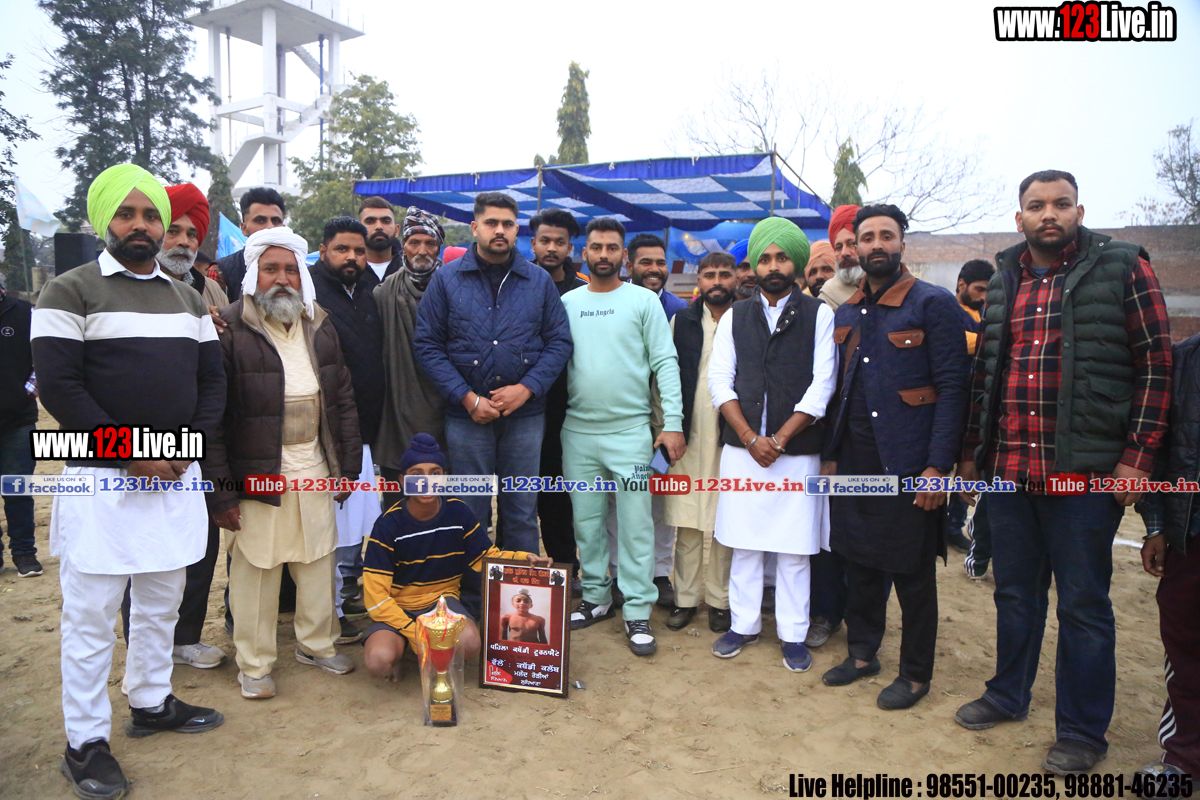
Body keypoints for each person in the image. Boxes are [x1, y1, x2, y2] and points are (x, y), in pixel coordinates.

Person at [955, 170, 1172, 775]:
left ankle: (1081, 731)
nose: (1048, 214)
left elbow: (1155, 365)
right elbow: (987, 375)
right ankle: (1007, 694)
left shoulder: (1123, 265)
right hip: (1011, 470)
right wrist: (973, 453)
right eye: (1036, 205)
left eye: (1060, 204)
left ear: (1079, 211)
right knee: (1014, 593)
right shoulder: (1005, 278)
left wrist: (1138, 457)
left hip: (1085, 476)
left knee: (1082, 604)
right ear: (1019, 217)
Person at [32, 163, 226, 800]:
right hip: (101, 484)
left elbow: (211, 384)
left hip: (173, 479)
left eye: (151, 216)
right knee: (91, 620)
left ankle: (150, 701)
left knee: (161, 603)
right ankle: (85, 743)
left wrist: (182, 450)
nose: (141, 226)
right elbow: (61, 389)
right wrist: (133, 452)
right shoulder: (67, 291)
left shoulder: (189, 298)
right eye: (127, 214)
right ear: (103, 221)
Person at [821, 203, 971, 710]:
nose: (876, 245)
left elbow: (953, 389)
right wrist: (831, 456)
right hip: (855, 463)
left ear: (902, 244)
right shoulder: (847, 312)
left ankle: (915, 674)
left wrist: (937, 467)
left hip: (910, 465)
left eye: (886, 235)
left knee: (912, 574)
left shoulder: (933, 304)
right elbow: (839, 392)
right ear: (857, 247)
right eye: (867, 238)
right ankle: (863, 654)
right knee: (859, 563)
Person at [206, 226, 362, 700]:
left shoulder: (320, 324)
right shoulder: (229, 328)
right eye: (270, 269)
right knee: (257, 568)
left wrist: (347, 469)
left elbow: (342, 400)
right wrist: (221, 493)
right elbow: (212, 419)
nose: (282, 279)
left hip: (314, 467)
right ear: (254, 274)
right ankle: (254, 665)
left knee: (317, 559)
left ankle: (317, 644)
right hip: (256, 474)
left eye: (291, 269)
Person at [707, 218, 836, 673]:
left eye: (782, 257)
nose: (774, 266)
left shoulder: (820, 314)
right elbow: (720, 382)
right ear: (755, 266)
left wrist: (779, 439)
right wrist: (750, 438)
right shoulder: (735, 317)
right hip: (743, 451)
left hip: (796, 452)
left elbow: (823, 386)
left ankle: (793, 634)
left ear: (796, 263)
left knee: (795, 549)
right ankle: (742, 626)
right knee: (744, 545)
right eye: (765, 258)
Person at [413, 192, 572, 555]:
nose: (499, 230)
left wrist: (527, 388)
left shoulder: (538, 281)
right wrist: (467, 398)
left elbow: (559, 342)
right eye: (491, 223)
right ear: (475, 227)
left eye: (507, 224)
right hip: (467, 417)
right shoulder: (447, 280)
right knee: (469, 510)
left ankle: (517, 583)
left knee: (521, 511)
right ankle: (470, 584)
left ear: (517, 230)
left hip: (525, 416)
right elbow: (427, 345)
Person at [117, 182, 229, 669]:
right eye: (175, 231)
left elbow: (216, 373)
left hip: (200, 441)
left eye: (192, 234)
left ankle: (185, 638)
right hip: (134, 448)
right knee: (142, 552)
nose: (183, 242)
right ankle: (145, 649)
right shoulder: (122, 287)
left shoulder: (210, 289)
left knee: (199, 543)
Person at [562, 217, 685, 658]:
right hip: (577, 433)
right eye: (596, 247)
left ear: (624, 257)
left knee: (636, 526)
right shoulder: (568, 303)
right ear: (584, 254)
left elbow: (665, 363)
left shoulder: (643, 301)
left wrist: (673, 423)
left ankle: (637, 609)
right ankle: (596, 597)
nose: (604, 255)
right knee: (587, 523)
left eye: (612, 248)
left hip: (631, 433)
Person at [361, 434, 551, 681]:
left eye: (435, 473)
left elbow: (486, 557)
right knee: (379, 661)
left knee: (470, 644)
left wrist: (524, 559)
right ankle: (401, 647)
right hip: (398, 606)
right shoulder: (388, 525)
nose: (427, 481)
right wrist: (414, 632)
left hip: (442, 602)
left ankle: (430, 649)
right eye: (417, 474)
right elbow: (376, 597)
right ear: (403, 480)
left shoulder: (458, 512)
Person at [310, 216, 385, 644]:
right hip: (326, 433)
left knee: (353, 524)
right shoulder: (309, 291)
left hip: (365, 432)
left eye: (358, 250)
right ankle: (329, 616)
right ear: (323, 250)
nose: (352, 257)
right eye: (342, 249)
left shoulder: (370, 290)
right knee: (331, 528)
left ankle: (341, 600)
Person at [662, 252, 739, 633]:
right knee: (688, 520)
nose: (717, 281)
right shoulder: (682, 320)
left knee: (726, 520)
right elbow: (665, 375)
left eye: (724, 274)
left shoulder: (747, 318)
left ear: (736, 278)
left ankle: (721, 601)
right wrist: (667, 426)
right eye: (710, 275)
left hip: (733, 434)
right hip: (688, 432)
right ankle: (686, 599)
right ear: (699, 281)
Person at [1137, 332, 1200, 782]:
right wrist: (1157, 525)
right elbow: (1157, 448)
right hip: (1192, 534)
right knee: (1186, 645)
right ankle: (1185, 757)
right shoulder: (1183, 359)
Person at [374, 206, 448, 511]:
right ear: (402, 245)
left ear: (439, 247)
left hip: (447, 411)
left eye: (430, 243)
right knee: (399, 508)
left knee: (442, 509)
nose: (422, 250)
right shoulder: (383, 294)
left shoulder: (455, 290)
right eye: (414, 242)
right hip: (398, 414)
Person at [530, 209, 588, 588]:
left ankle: (567, 566)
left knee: (562, 493)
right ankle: (513, 566)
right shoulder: (518, 283)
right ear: (533, 244)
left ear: (571, 247)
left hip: (574, 405)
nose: (552, 248)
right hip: (525, 404)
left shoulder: (585, 290)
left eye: (560, 242)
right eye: (545, 241)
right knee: (522, 492)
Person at [945, 259, 996, 561]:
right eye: (979, 289)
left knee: (969, 468)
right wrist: (991, 342)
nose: (983, 296)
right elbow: (953, 341)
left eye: (988, 291)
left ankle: (954, 526)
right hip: (948, 404)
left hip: (976, 407)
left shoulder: (985, 314)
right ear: (961, 285)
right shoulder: (946, 309)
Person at [0, 271, 40, 578]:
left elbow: (43, 355)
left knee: (18, 490)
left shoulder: (25, 313)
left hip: (18, 420)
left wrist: (26, 390)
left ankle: (25, 554)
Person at [213, 187, 287, 302]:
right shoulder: (221, 271)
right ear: (244, 228)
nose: (270, 227)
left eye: (276, 221)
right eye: (260, 221)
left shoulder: (297, 269)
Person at [628, 233, 687, 320]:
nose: (654, 269)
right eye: (646, 263)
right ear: (629, 267)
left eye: (661, 263)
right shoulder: (613, 302)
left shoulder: (678, 308)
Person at [818, 204, 863, 311]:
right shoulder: (826, 299)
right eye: (838, 247)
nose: (844, 253)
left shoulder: (890, 289)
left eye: (852, 244)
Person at [359, 196, 402, 284]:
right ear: (358, 230)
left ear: (396, 230)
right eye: (370, 222)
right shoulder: (348, 272)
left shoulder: (410, 272)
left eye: (386, 221)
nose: (379, 227)